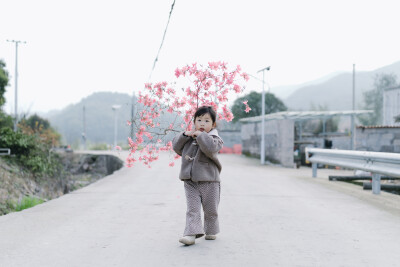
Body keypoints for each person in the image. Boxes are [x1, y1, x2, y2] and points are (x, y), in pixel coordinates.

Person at [172, 106, 224, 246]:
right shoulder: (189, 137)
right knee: (192, 209)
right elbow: (176, 147)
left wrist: (201, 136)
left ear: (213, 124)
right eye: (199, 120)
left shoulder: (215, 139)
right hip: (190, 180)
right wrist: (185, 135)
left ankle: (211, 230)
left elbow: (210, 149)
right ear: (194, 122)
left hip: (210, 181)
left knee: (211, 209)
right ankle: (190, 234)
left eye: (206, 121)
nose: (202, 123)